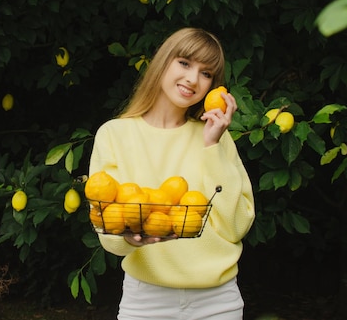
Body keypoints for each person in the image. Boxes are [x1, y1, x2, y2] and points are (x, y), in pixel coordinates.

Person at [88, 27, 255, 320]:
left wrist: (212, 145)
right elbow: (109, 232)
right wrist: (129, 239)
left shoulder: (215, 137)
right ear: (163, 62)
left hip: (217, 301)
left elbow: (236, 225)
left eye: (206, 74)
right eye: (185, 63)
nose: (193, 79)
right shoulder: (114, 135)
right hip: (146, 300)